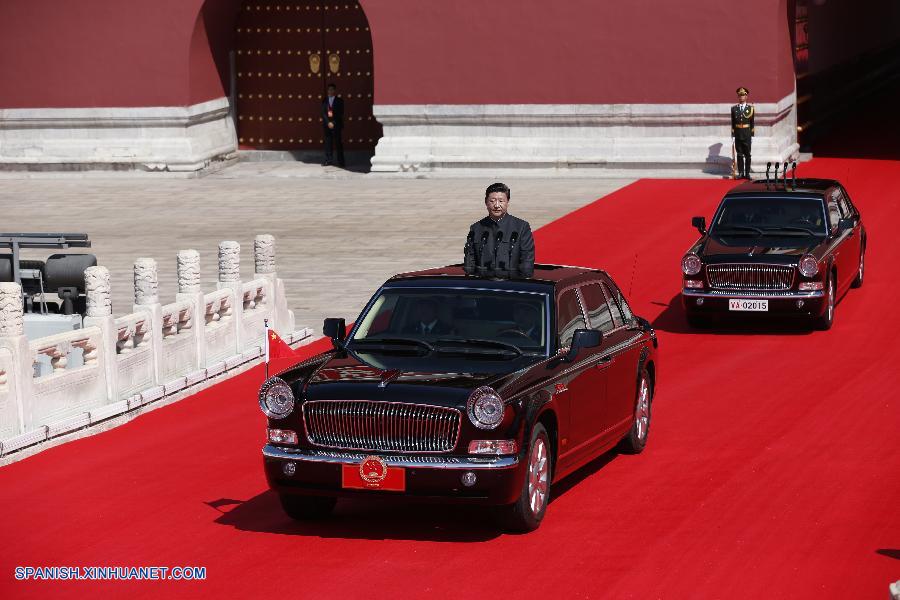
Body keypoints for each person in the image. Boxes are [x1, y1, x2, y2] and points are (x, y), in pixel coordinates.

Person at [463, 182, 535, 278]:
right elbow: (470, 260)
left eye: (501, 201)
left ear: (508, 202)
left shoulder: (521, 227)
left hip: (512, 285)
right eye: (492, 201)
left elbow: (527, 261)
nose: (497, 205)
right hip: (483, 285)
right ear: (486, 202)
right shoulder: (476, 228)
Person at [731, 86, 754, 179]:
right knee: (739, 154)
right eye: (739, 96)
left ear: (746, 97)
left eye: (743, 95)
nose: (741, 97)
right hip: (738, 134)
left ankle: (747, 173)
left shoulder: (750, 108)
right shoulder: (734, 109)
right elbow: (733, 122)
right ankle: (741, 173)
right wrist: (732, 135)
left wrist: (752, 135)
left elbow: (752, 123)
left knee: (747, 154)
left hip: (747, 134)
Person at [322, 83, 344, 167]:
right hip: (327, 126)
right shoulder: (324, 100)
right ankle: (328, 160)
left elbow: (340, 114)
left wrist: (333, 123)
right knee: (328, 143)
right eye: (329, 90)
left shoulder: (340, 101)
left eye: (332, 89)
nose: (330, 91)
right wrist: (328, 122)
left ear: (335, 91)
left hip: (337, 125)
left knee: (338, 144)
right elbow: (323, 113)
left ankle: (341, 162)